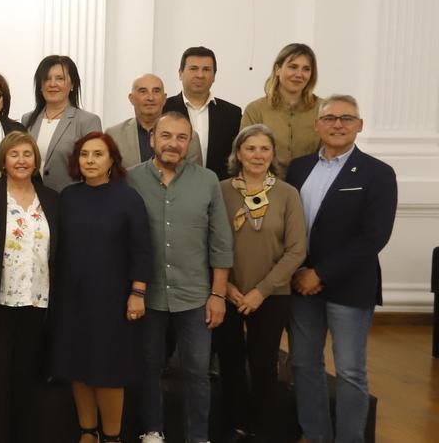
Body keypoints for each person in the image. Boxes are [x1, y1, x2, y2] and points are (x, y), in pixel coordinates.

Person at [287, 95, 397, 443]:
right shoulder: (299, 168)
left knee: (350, 371)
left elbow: (374, 236)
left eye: (347, 118)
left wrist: (321, 274)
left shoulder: (378, 173)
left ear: (359, 125)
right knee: (304, 366)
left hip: (349, 285)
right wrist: (300, 271)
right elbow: (291, 226)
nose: (338, 124)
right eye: (331, 118)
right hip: (300, 284)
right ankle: (317, 435)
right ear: (317, 125)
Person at [126, 112, 233, 443]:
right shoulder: (130, 179)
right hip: (148, 294)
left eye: (182, 137)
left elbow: (220, 241)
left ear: (190, 143)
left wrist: (217, 295)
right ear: (153, 139)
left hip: (195, 295)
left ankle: (198, 436)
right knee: (148, 367)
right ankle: (152, 431)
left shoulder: (208, 181)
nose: (173, 143)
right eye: (166, 136)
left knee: (198, 372)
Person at [49, 132, 152, 443]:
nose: (90, 160)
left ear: (112, 162)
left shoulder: (128, 197)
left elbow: (142, 249)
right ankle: (87, 432)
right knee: (77, 366)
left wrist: (138, 293)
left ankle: (112, 436)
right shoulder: (68, 196)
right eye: (84, 155)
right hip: (71, 297)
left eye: (98, 154)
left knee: (108, 370)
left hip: (112, 299)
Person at [215, 124, 307, 442]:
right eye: (250, 148)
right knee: (229, 361)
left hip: (272, 294)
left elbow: (297, 250)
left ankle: (262, 428)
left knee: (264, 363)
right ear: (238, 153)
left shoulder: (287, 194)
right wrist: (225, 287)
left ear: (273, 155)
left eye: (264, 149)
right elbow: (207, 240)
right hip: (228, 290)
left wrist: (260, 291)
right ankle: (235, 423)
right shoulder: (221, 190)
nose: (258, 155)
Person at [0, 130, 58, 443]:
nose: (21, 160)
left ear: (36, 161)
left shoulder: (51, 199)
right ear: (4, 160)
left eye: (27, 154)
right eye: (14, 154)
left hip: (37, 300)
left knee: (26, 376)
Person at [21, 55, 103, 191]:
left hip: (70, 200)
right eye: (47, 78)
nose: (52, 84)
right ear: (40, 86)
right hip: (31, 199)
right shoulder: (27, 119)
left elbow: (95, 168)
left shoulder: (88, 121)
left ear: (72, 85)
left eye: (60, 78)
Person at [241, 43, 322, 180]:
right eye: (293, 67)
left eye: (306, 69)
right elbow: (247, 154)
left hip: (311, 185)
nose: (299, 74)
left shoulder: (323, 109)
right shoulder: (255, 109)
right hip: (266, 189)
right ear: (277, 69)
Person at [164, 46, 242, 180]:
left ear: (214, 76)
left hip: (219, 191)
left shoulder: (232, 114)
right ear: (180, 73)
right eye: (193, 69)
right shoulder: (164, 109)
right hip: (171, 189)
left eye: (206, 69)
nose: (200, 75)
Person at [105, 74, 203, 169]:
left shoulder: (189, 137)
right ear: (131, 98)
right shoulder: (114, 135)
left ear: (164, 99)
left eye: (156, 91)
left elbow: (194, 178)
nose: (150, 98)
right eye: (143, 91)